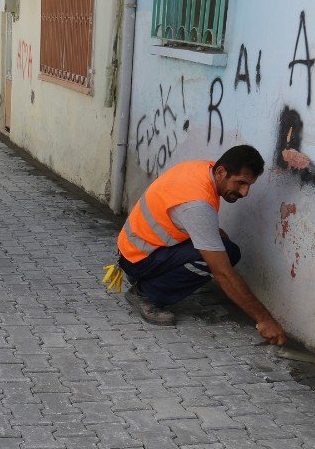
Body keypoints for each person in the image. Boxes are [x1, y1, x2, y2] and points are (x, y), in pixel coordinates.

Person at [116, 145, 286, 345]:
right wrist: (264, 319)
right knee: (220, 257)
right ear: (221, 172)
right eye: (240, 183)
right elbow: (222, 273)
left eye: (249, 185)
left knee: (222, 244)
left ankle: (147, 276)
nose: (245, 192)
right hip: (138, 257)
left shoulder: (202, 169)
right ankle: (146, 294)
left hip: (134, 248)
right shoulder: (197, 204)